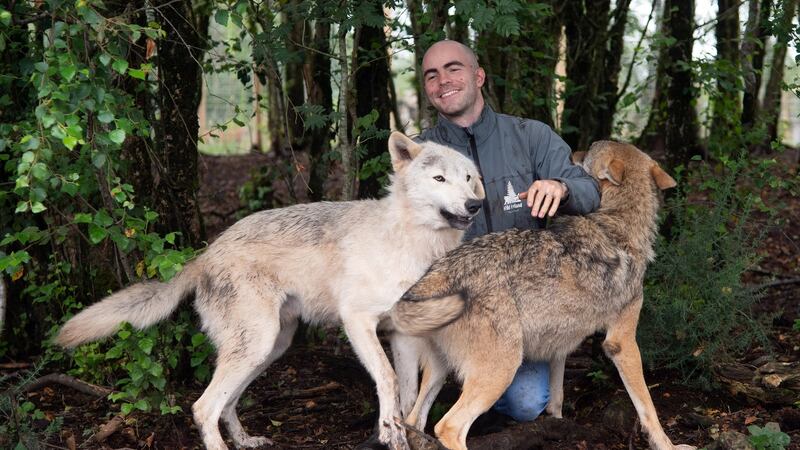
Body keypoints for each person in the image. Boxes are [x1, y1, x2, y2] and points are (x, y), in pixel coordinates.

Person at [417, 39, 601, 422]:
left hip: (517, 309)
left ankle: (478, 393)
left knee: (525, 404)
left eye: (454, 68)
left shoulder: (530, 136)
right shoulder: (420, 154)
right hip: (450, 304)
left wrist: (561, 187)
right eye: (431, 75)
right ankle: (463, 386)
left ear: (479, 76)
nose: (442, 80)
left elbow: (591, 191)